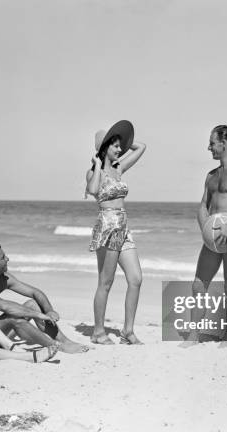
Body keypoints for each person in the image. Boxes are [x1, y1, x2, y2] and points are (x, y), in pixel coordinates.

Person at [183, 125, 227, 348]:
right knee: (198, 285)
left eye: (212, 143)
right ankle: (194, 336)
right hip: (212, 238)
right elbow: (203, 205)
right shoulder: (211, 175)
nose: (209, 147)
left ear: (224, 143)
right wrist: (205, 228)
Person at [0, 242, 89, 354]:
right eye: (3, 258)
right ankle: (55, 345)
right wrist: (39, 315)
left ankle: (65, 341)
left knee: (32, 303)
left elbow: (34, 292)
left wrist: (49, 310)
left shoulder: (2, 278)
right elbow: (6, 306)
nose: (7, 259)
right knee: (14, 317)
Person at [85, 120, 147, 345]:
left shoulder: (119, 167)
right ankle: (98, 332)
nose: (120, 149)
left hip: (123, 227)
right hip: (107, 226)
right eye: (115, 145)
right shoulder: (95, 172)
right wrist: (98, 164)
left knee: (136, 279)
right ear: (104, 148)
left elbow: (141, 147)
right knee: (106, 282)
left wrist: (123, 139)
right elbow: (92, 190)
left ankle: (127, 331)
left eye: (120, 146)